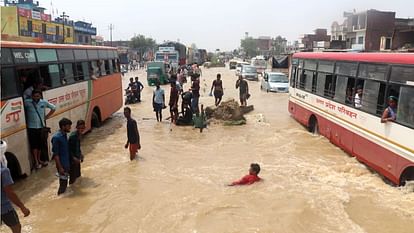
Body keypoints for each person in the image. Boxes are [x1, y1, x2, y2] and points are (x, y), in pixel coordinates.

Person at [1, 141, 30, 233]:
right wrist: (22, 207)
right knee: (17, 227)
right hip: (4, 208)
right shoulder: (4, 171)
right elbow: (10, 193)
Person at [25, 89, 56, 169]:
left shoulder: (44, 102)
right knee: (34, 145)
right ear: (32, 96)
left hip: (41, 127)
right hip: (31, 127)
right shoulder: (27, 102)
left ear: (40, 96)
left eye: (38, 96)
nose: (36, 98)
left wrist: (47, 117)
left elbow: (53, 108)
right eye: (34, 96)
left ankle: (39, 159)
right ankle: (36, 161)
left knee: (40, 145)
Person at [52, 118, 72, 195]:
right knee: (63, 185)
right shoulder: (57, 138)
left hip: (66, 163)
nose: (70, 127)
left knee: (65, 183)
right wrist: (60, 167)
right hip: (62, 165)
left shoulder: (64, 135)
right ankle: (60, 197)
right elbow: (56, 155)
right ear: (63, 127)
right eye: (68, 126)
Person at [68, 120, 86, 185]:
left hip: (77, 158)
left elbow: (77, 147)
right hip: (72, 160)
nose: (81, 130)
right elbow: (68, 149)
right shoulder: (73, 136)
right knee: (73, 178)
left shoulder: (80, 135)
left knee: (78, 175)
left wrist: (80, 154)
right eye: (79, 128)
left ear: (84, 128)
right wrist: (73, 158)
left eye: (82, 128)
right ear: (76, 127)